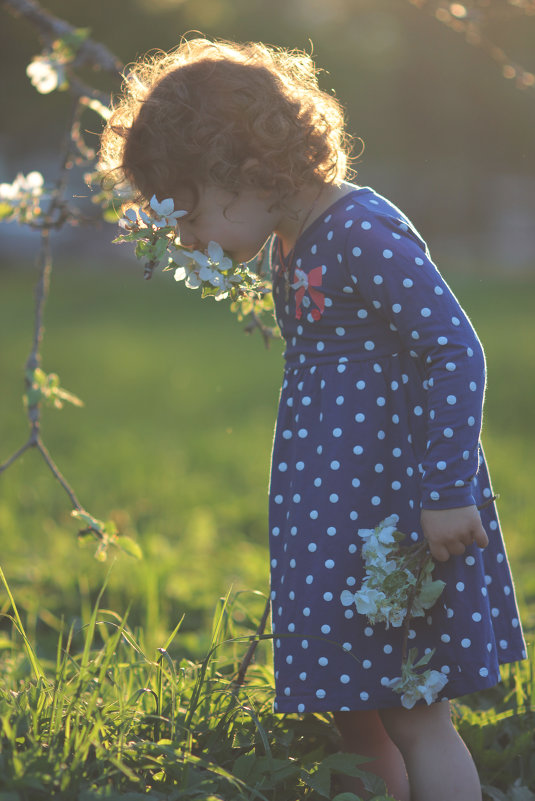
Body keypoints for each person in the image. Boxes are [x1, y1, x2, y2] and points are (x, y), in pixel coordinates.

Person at [99, 38, 527, 801]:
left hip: (394, 520)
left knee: (415, 712)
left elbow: (453, 350)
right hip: (332, 516)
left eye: (187, 211)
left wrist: (447, 488)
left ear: (239, 168)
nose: (185, 237)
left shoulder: (359, 229)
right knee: (354, 709)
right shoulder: (290, 247)